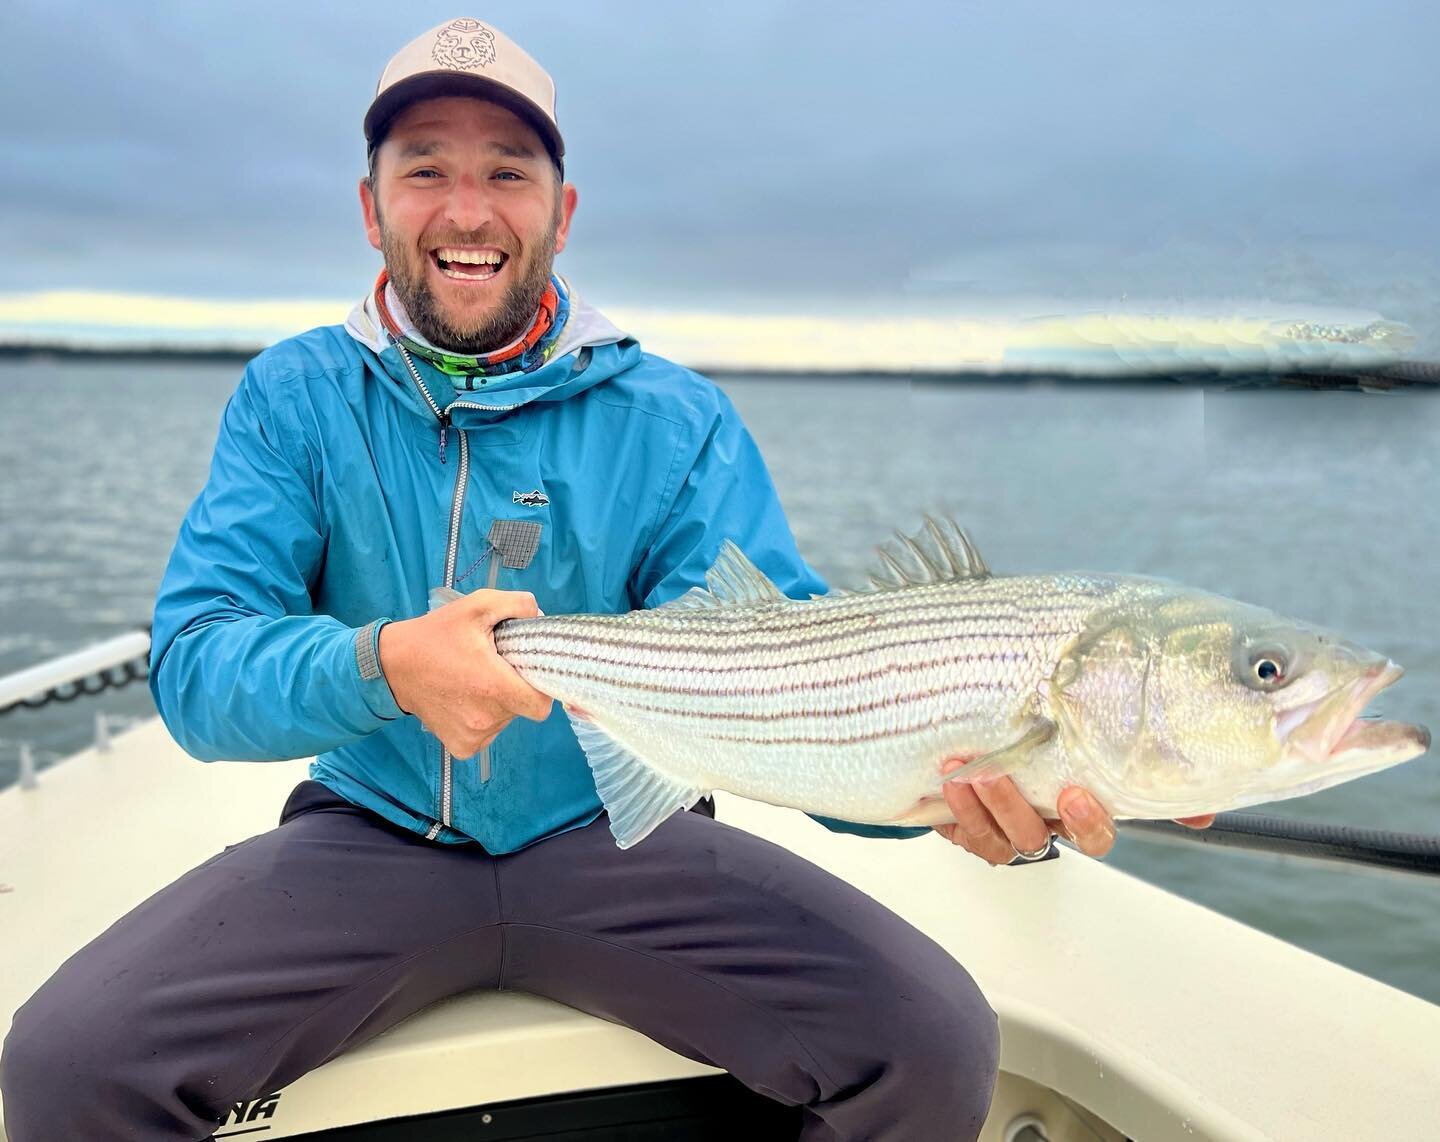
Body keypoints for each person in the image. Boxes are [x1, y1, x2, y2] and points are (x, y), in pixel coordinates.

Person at [0, 18, 1210, 1141]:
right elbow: (202, 666)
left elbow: (792, 682)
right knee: (66, 1064)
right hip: (372, 835)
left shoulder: (676, 418)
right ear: (369, 207)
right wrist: (383, 665)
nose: (466, 206)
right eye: (424, 167)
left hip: (619, 841)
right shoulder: (296, 396)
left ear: (562, 211)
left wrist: (956, 785)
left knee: (934, 1038)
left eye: (508, 170)